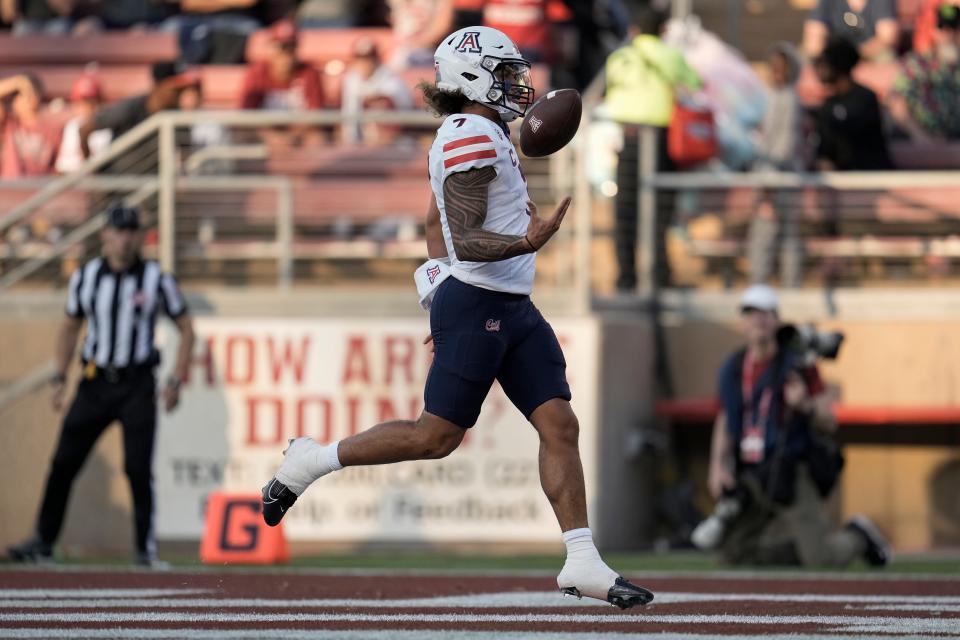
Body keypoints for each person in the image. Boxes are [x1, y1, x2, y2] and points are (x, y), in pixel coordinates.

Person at [260, 25, 654, 610]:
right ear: (472, 77)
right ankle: (309, 461)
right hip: (481, 302)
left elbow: (431, 223)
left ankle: (582, 559)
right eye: (505, 73)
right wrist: (524, 243)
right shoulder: (470, 133)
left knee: (559, 425)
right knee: (434, 437)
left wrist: (435, 289)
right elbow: (465, 238)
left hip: (509, 304)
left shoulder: (480, 131)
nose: (518, 84)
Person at [6, 204, 195, 567]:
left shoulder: (157, 278)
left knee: (138, 469)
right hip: (94, 384)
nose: (124, 239)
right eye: (118, 231)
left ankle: (145, 549)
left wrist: (175, 379)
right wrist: (60, 376)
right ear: (104, 235)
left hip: (137, 383)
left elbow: (186, 327)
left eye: (130, 231)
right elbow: (69, 326)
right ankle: (43, 541)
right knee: (63, 462)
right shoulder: (87, 276)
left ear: (140, 236)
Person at [699, 284, 890, 567]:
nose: (758, 320)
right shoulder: (733, 367)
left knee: (822, 561)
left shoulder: (797, 363)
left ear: (777, 320)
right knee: (732, 556)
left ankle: (857, 537)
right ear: (742, 321)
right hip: (753, 473)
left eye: (766, 313)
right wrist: (717, 465)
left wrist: (804, 405)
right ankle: (807, 550)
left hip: (791, 470)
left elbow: (829, 420)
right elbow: (726, 417)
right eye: (751, 313)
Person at [602, 4, 700, 291]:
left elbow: (611, 88)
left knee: (625, 214)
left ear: (635, 30)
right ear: (664, 30)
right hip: (660, 143)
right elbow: (695, 82)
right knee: (660, 212)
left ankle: (626, 279)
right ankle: (660, 277)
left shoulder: (619, 57)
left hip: (627, 140)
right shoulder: (669, 54)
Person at [747, 43, 804, 288]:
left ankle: (789, 289)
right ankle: (759, 289)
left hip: (782, 179)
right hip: (769, 176)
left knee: (781, 237)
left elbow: (784, 146)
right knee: (765, 237)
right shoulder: (770, 97)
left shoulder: (789, 99)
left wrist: (769, 187)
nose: (777, 73)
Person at [813, 37, 893, 171]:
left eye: (825, 64)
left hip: (869, 179)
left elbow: (855, 141)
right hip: (841, 183)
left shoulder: (865, 98)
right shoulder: (828, 105)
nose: (820, 70)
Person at [889, 4, 960, 142]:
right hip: (923, 141)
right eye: (942, 28)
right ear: (934, 31)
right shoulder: (918, 63)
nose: (948, 34)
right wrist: (921, 137)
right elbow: (897, 102)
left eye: (954, 28)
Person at [340, 37, 415, 145]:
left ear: (376, 59)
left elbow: (406, 114)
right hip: (363, 141)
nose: (364, 64)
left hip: (395, 142)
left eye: (368, 59)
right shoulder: (350, 80)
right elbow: (349, 114)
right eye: (360, 59)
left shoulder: (392, 81)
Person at [238, 19, 324, 111]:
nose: (286, 53)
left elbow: (316, 115)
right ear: (270, 48)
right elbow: (247, 115)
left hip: (300, 124)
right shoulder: (257, 73)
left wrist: (296, 125)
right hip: (264, 125)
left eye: (291, 46)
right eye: (281, 47)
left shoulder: (309, 72)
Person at [0, 74, 62, 179]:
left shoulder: (53, 129)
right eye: (15, 97)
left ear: (35, 97)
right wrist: (17, 82)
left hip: (39, 191)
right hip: (8, 191)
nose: (14, 102)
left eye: (19, 95)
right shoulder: (9, 124)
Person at [802, 0, 899, 60]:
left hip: (869, 53)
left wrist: (853, 55)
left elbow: (887, 37)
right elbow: (814, 33)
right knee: (805, 57)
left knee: (885, 57)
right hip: (833, 53)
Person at [55, 74, 113, 175]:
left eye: (91, 102)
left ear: (100, 102)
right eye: (82, 102)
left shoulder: (108, 127)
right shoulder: (72, 126)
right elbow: (62, 169)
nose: (87, 107)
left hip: (100, 183)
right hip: (74, 183)